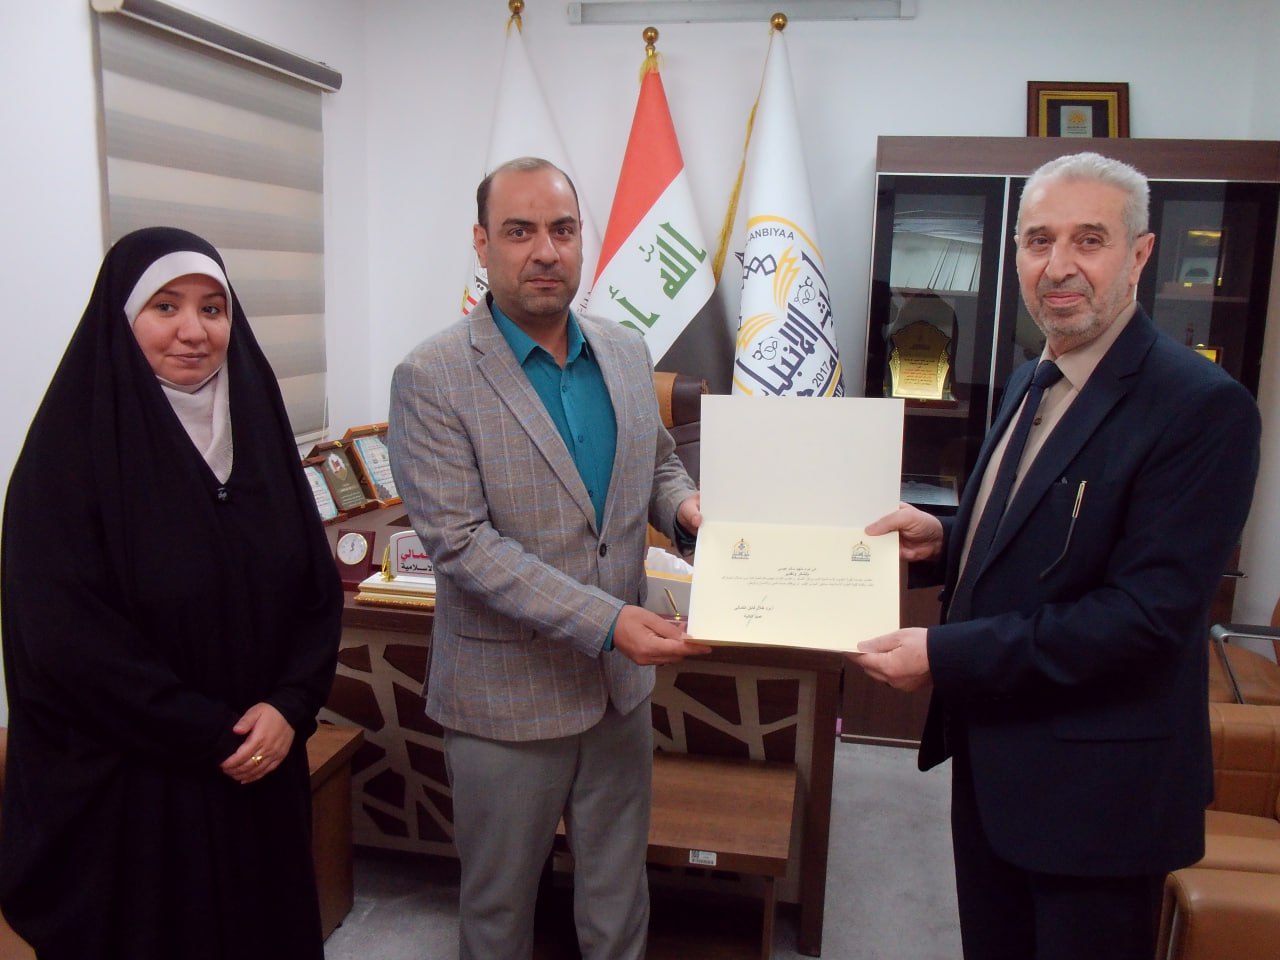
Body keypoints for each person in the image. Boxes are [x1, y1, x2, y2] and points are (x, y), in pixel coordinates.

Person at [852, 153, 1261, 960]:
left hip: (1099, 802)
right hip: (995, 766)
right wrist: (948, 541)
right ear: (1016, 254)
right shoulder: (1030, 380)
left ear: (1140, 254)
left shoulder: (1201, 407)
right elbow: (1040, 529)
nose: (1059, 265)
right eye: (1039, 240)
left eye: (1089, 240)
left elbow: (1143, 620)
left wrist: (942, 654)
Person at [387, 156, 711, 960]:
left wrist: (686, 510)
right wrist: (610, 622)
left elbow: (657, 465)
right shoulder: (431, 377)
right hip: (505, 705)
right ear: (481, 243)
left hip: (617, 699)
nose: (545, 251)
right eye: (519, 231)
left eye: (562, 230)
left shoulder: (626, 351)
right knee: (499, 914)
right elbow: (462, 545)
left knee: (618, 902)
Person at [0, 227, 343, 959]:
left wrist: (290, 705)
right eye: (166, 307)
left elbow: (316, 592)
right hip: (134, 795)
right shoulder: (66, 460)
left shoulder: (258, 433)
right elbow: (66, 642)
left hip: (260, 768)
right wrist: (209, 733)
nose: (194, 330)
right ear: (123, 319)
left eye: (213, 309)